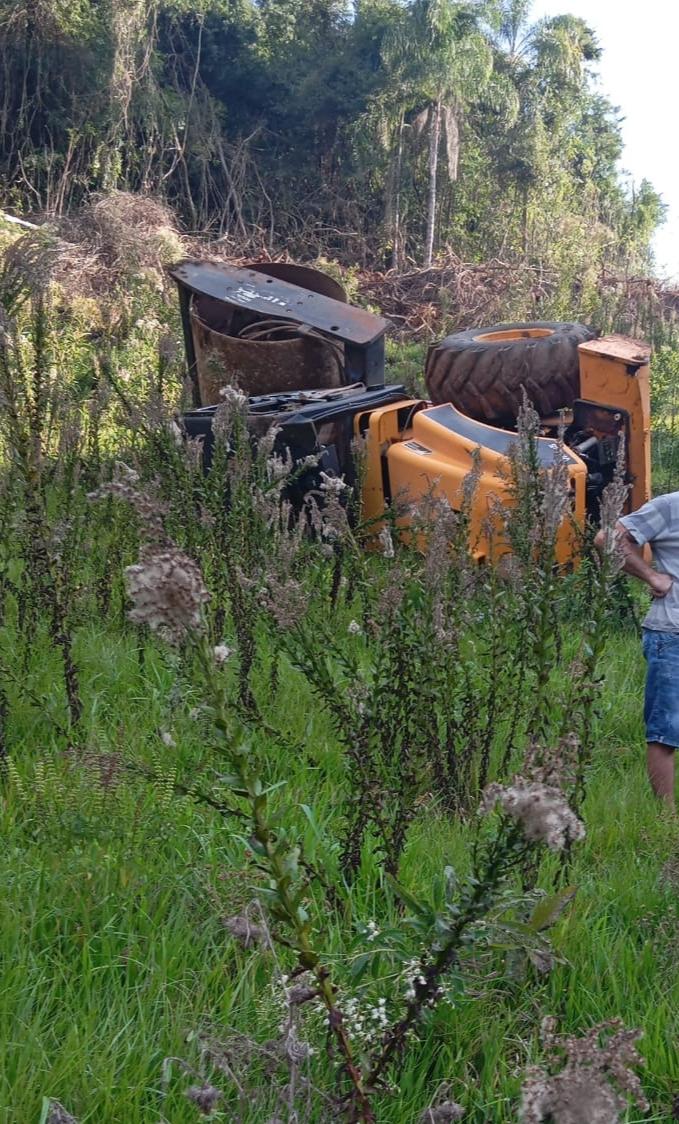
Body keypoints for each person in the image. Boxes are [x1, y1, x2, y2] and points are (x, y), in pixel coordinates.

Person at [596, 492, 679, 810]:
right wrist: (652, 576)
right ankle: (666, 820)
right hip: (672, 635)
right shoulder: (669, 507)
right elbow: (606, 539)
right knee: (666, 729)